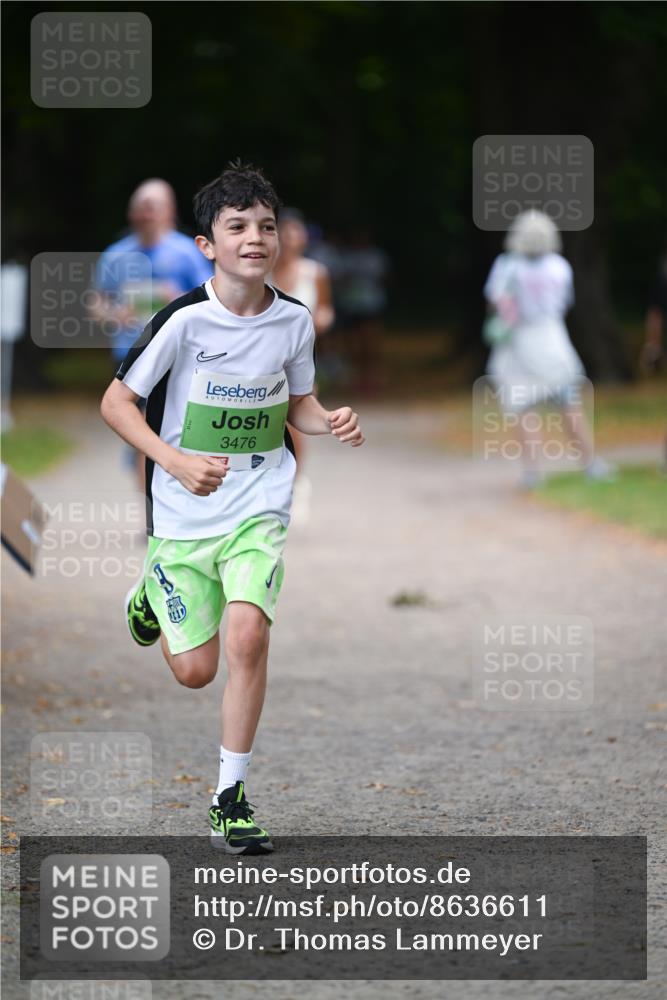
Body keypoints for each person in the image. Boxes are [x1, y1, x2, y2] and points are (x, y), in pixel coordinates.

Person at [100, 162, 365, 854]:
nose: (255, 237)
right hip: (184, 513)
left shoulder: (294, 320)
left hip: (257, 499)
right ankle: (152, 594)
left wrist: (326, 418)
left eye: (266, 226)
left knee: (249, 635)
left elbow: (296, 402)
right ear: (206, 245)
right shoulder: (184, 322)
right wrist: (174, 459)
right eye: (237, 226)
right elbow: (116, 402)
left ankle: (229, 797)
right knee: (195, 671)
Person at [92, 179, 214, 487]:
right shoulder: (115, 254)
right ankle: (150, 510)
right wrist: (113, 313)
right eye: (141, 207)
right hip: (129, 354)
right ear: (130, 213)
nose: (147, 214)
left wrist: (178, 297)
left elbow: (212, 298)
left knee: (170, 431)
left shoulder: (187, 251)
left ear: (169, 211)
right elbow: (97, 302)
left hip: (177, 356)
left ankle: (166, 497)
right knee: (143, 431)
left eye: (153, 206)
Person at [483, 209, 614, 488]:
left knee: (523, 407)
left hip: (518, 344)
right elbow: (565, 303)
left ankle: (532, 472)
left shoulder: (507, 265)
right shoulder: (559, 266)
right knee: (569, 404)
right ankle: (590, 463)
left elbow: (496, 303)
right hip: (554, 341)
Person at [270, 208, 335, 522]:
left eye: (297, 232)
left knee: (297, 420)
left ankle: (297, 481)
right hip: (266, 359)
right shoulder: (263, 272)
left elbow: (326, 309)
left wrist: (319, 321)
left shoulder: (315, 272)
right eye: (285, 232)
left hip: (301, 358)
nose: (291, 238)